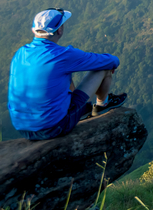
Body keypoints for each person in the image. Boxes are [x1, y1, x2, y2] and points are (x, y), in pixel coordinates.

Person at [8, 8, 127, 140]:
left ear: (33, 30)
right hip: (53, 127)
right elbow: (112, 61)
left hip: (22, 127)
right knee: (103, 68)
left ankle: (80, 108)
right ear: (59, 30)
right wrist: (111, 65)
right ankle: (101, 106)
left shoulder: (20, 53)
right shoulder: (62, 55)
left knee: (61, 76)